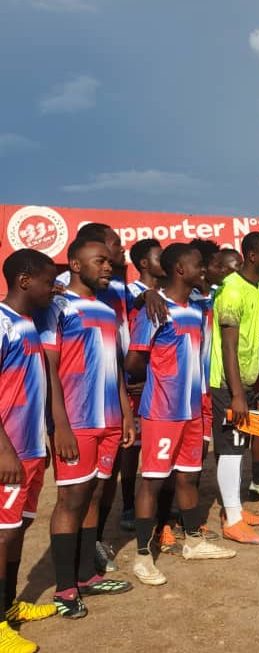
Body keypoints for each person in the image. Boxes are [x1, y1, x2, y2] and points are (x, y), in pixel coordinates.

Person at [126, 244, 237, 585]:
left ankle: (193, 541)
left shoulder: (201, 305)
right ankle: (143, 557)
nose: (205, 269)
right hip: (163, 410)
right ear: (179, 270)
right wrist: (155, 384)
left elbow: (217, 287)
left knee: (189, 476)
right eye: (199, 265)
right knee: (153, 480)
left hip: (193, 409)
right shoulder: (156, 310)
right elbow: (134, 361)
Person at [39, 238, 136, 619]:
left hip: (110, 420)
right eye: (100, 261)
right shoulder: (57, 307)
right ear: (75, 265)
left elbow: (114, 368)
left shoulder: (106, 309)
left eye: (110, 262)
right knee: (71, 499)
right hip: (76, 423)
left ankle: (87, 576)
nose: (108, 267)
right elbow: (49, 368)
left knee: (95, 495)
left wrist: (126, 415)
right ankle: (64, 590)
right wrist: (59, 423)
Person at [0, 250, 59, 651]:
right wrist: (4, 451)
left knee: (18, 529)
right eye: (47, 281)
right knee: (2, 535)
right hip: (8, 453)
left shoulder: (29, 324)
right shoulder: (2, 322)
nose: (53, 288)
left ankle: (9, 609)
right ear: (25, 281)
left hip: (30, 449)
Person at [209, 232, 259, 546]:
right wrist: (236, 393)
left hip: (245, 384)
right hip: (227, 384)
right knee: (231, 450)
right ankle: (232, 520)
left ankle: (234, 509)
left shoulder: (254, 287)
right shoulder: (231, 291)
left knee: (239, 448)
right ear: (251, 255)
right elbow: (229, 347)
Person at [118, 238, 165, 534]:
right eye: (160, 256)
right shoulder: (130, 293)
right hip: (136, 381)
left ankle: (158, 505)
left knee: (156, 446)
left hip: (158, 382)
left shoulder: (166, 294)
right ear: (144, 263)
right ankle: (127, 506)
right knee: (131, 448)